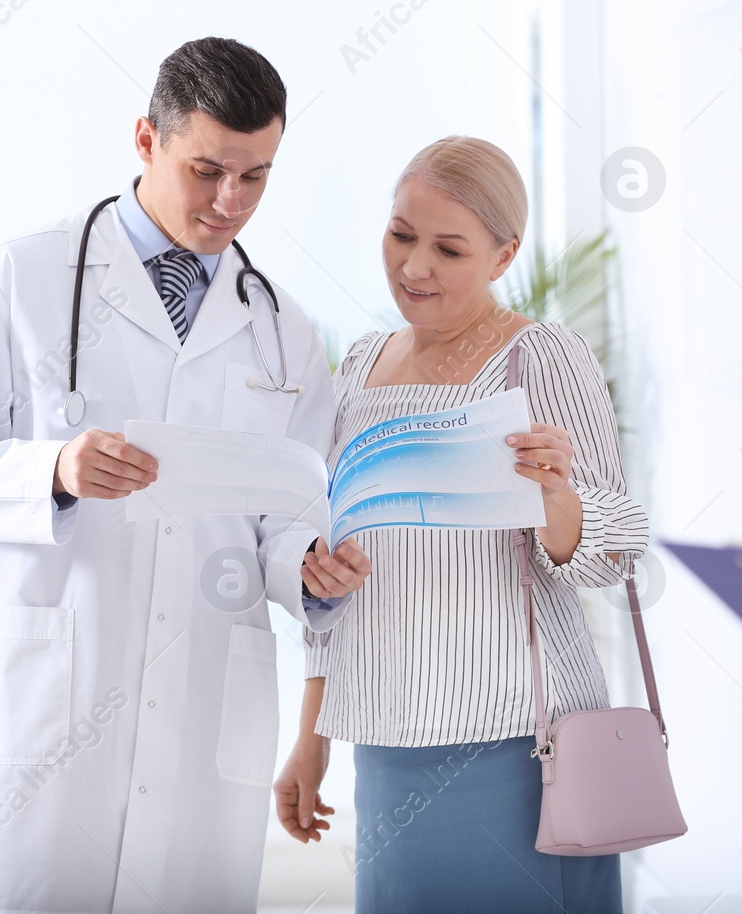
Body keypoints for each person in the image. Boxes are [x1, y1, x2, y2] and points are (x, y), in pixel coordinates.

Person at [0, 36, 370, 913]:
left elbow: (290, 512)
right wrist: (56, 470)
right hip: (58, 692)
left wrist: (310, 570)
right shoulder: (25, 275)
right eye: (208, 170)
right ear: (146, 141)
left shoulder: (282, 330)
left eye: (256, 177)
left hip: (206, 696)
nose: (231, 201)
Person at [273, 136, 648, 913]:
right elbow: (330, 566)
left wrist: (558, 501)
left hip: (519, 741)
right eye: (401, 234)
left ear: (504, 254)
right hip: (385, 733)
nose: (414, 267)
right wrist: (312, 734)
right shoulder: (360, 368)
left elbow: (618, 547)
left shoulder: (540, 357)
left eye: (448, 248)